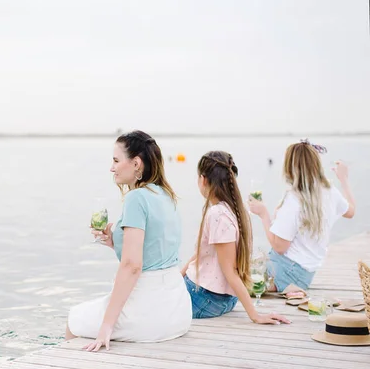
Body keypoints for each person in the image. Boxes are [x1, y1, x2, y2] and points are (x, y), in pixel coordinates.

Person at [66, 130, 192, 351]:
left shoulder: (136, 198)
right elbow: (156, 248)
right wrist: (115, 240)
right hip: (178, 310)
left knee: (74, 320)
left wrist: (106, 326)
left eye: (116, 160)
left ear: (136, 163)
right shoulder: (165, 195)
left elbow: (132, 265)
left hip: (150, 310)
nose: (111, 168)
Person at [181, 151, 290, 325]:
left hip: (205, 298)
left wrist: (255, 315)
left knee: (148, 301)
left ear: (203, 180)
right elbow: (202, 254)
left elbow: (229, 271)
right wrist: (178, 278)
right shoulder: (234, 211)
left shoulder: (217, 214)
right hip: (223, 298)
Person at [248, 140, 355, 292]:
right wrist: (343, 179)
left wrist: (263, 214)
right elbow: (351, 211)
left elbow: (279, 247)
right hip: (305, 276)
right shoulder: (330, 191)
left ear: (290, 168)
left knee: (233, 279)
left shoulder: (294, 200)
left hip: (284, 271)